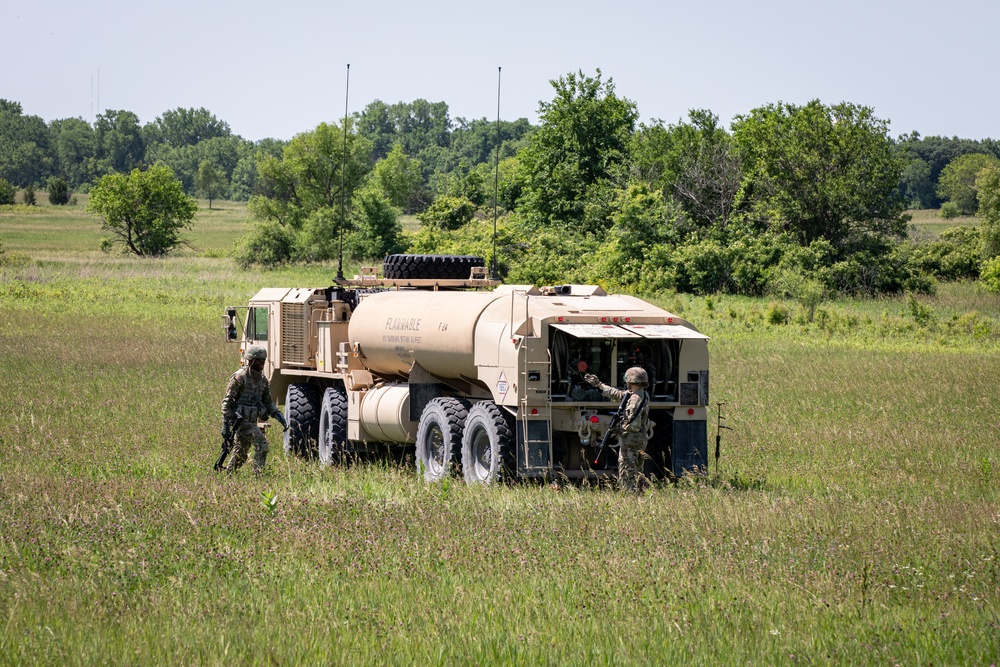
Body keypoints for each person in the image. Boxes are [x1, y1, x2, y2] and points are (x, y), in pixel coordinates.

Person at [221, 346, 287, 475]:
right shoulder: (240, 378)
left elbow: (268, 402)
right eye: (258, 360)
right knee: (262, 446)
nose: (262, 363)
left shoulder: (263, 380)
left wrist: (280, 417)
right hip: (241, 421)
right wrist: (225, 425)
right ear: (250, 360)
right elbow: (227, 402)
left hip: (251, 420)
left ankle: (228, 476)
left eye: (263, 360)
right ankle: (259, 475)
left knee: (240, 453)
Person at [584, 367, 651, 492]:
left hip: (631, 440)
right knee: (638, 470)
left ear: (630, 380)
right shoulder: (640, 395)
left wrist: (618, 428)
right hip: (640, 440)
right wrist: (599, 385)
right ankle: (641, 496)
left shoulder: (635, 400)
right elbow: (618, 394)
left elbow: (633, 425)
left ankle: (630, 496)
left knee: (627, 471)